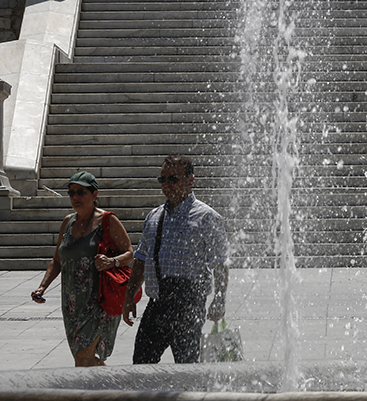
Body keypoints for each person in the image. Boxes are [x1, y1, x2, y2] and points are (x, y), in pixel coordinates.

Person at [123, 154, 228, 364]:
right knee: (141, 365)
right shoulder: (154, 217)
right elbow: (141, 260)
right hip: (158, 303)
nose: (167, 185)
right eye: (163, 180)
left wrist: (219, 299)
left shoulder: (207, 217)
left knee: (187, 368)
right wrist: (129, 296)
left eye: (173, 179)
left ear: (190, 180)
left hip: (188, 305)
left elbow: (220, 263)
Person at [31, 171, 134, 366]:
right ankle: (106, 391)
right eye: (71, 193)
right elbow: (57, 261)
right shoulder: (68, 222)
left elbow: (129, 253)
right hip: (72, 304)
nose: (75, 197)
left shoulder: (108, 221)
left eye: (81, 192)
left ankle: (113, 389)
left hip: (98, 301)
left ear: (94, 195)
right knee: (82, 359)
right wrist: (42, 287)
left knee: (83, 357)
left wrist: (112, 262)